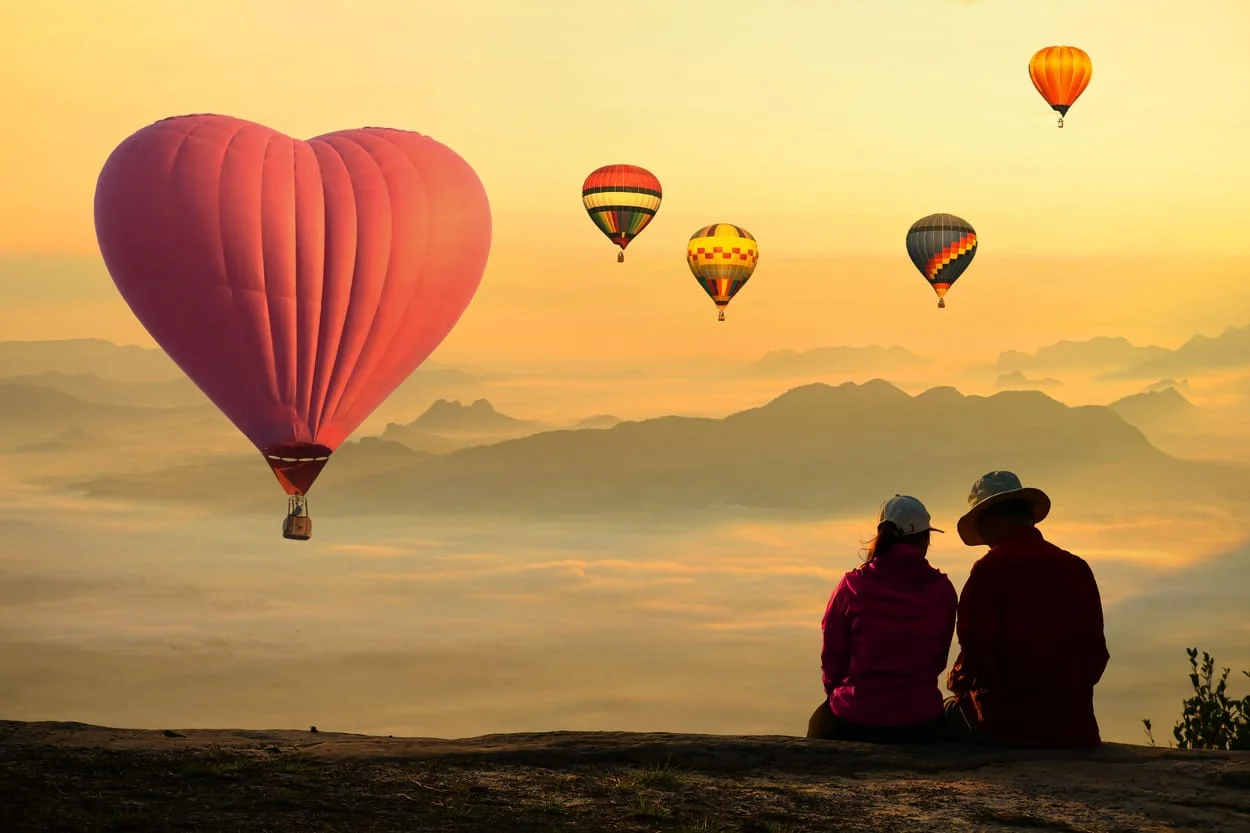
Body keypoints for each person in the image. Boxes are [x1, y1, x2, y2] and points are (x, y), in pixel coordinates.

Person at [944, 471, 1110, 748]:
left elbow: (976, 659)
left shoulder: (987, 572)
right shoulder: (1075, 567)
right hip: (1074, 728)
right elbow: (1096, 656)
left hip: (1007, 729)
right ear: (1028, 516)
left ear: (990, 520)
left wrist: (957, 681)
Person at [807, 495, 958, 744]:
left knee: (818, 724)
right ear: (925, 539)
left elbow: (832, 657)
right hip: (920, 719)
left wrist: (839, 693)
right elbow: (938, 659)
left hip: (855, 715)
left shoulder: (852, 586)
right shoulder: (942, 590)